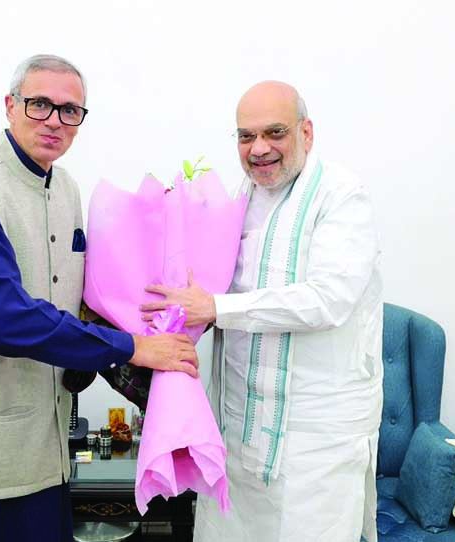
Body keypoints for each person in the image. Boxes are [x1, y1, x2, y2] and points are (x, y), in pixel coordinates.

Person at [0, 54, 199, 542]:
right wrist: (134, 346)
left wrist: (173, 313)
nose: (54, 120)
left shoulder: (67, 189)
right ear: (10, 106)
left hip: (42, 452)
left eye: (69, 110)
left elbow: (82, 297)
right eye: (39, 104)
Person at [140, 81, 383, 541]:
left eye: (275, 132)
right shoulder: (239, 197)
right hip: (240, 423)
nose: (259, 148)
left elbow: (328, 299)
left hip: (316, 438)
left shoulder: (342, 195)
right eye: (246, 136)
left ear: (306, 132)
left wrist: (214, 307)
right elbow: (204, 285)